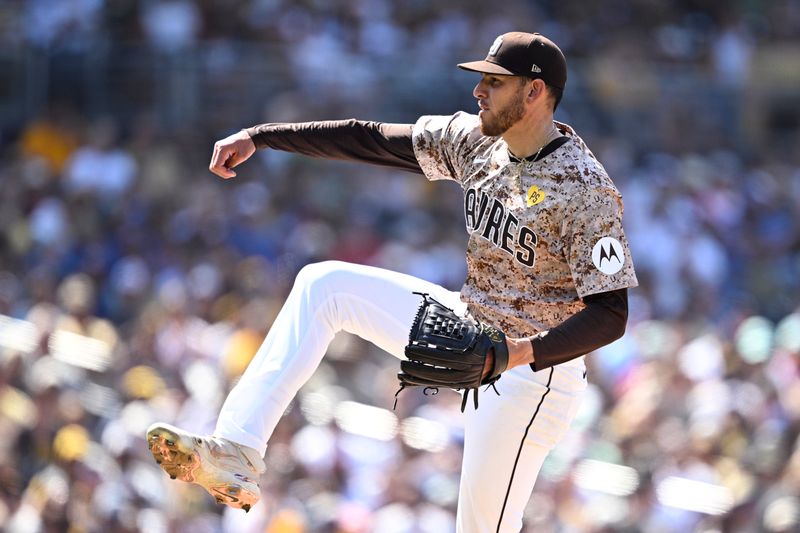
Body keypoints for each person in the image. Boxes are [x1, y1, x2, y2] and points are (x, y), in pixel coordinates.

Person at [146, 31, 638, 532]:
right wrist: (263, 135)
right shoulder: (475, 142)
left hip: (534, 378)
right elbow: (370, 138)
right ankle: (237, 450)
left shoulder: (585, 188)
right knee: (325, 286)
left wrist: (519, 353)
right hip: (470, 323)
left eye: (494, 81)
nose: (478, 92)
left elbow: (611, 314)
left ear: (535, 92)